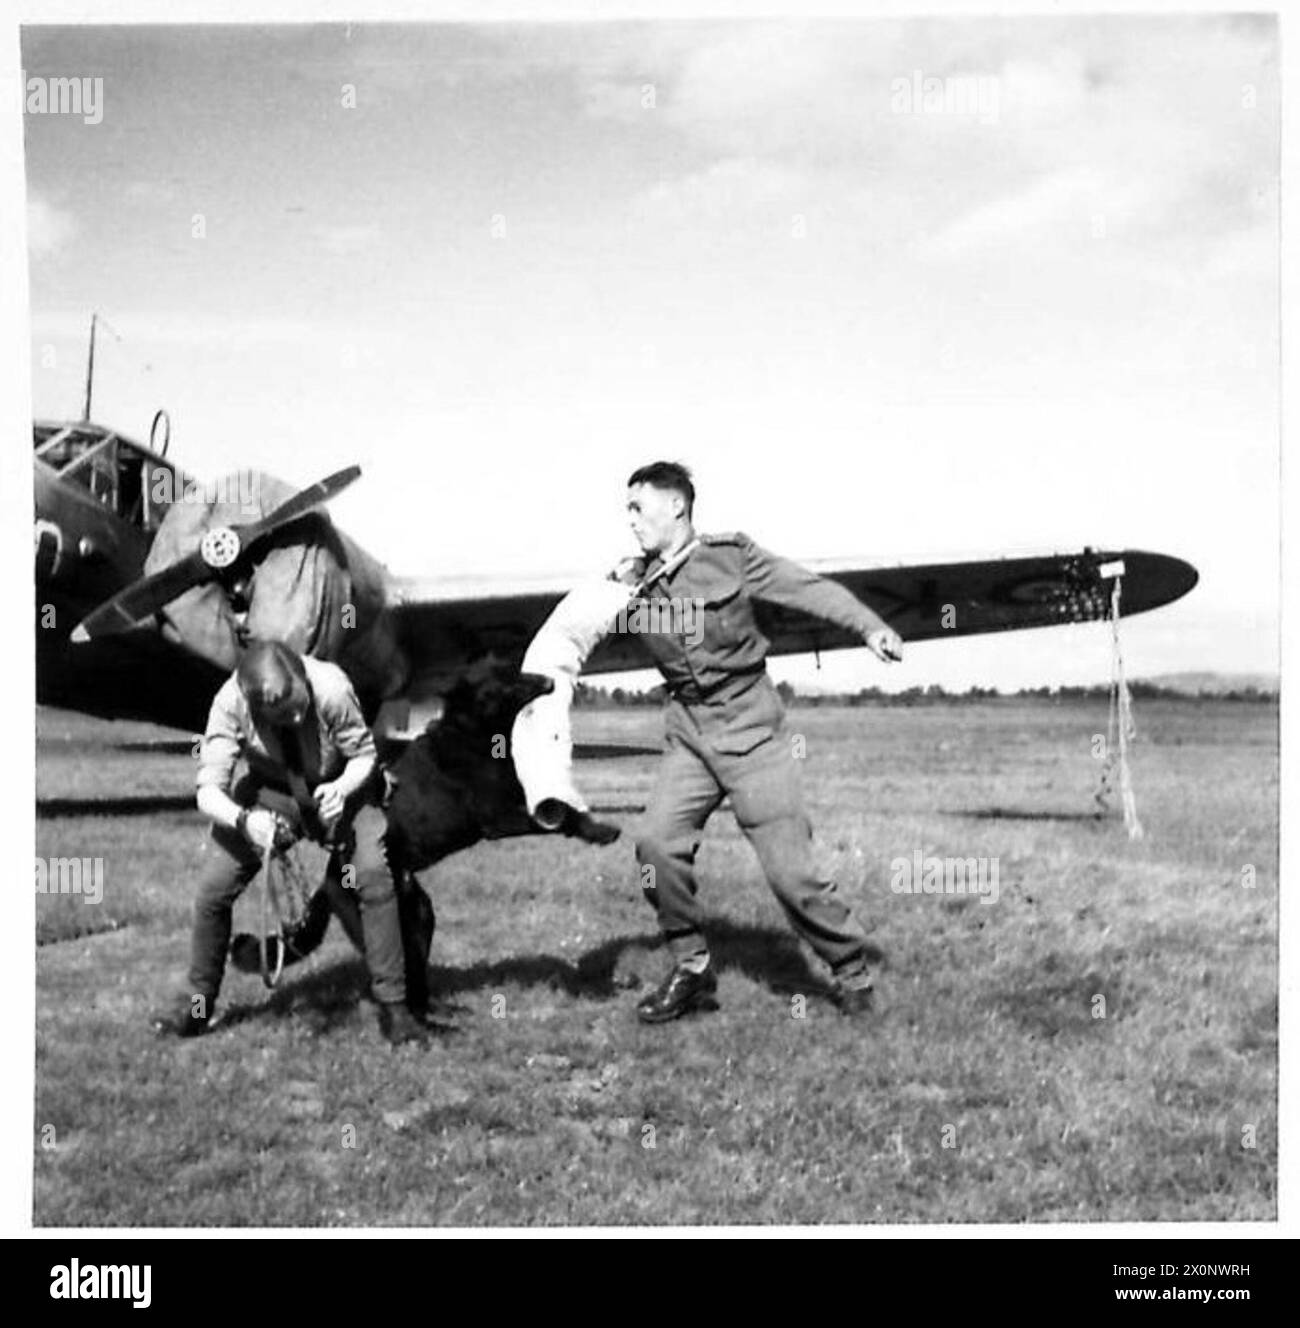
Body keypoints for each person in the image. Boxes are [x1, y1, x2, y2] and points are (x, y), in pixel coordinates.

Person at [622, 461, 903, 1023]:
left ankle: (852, 973)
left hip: (750, 728)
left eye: (638, 507)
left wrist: (869, 625)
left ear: (676, 506)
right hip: (689, 733)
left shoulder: (731, 556)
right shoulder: (633, 580)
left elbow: (808, 588)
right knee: (656, 845)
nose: (630, 520)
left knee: (792, 874)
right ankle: (692, 967)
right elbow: (569, 631)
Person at [152, 640, 428, 1046]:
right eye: (282, 712)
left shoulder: (332, 687)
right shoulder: (230, 702)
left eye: (299, 703)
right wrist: (245, 821)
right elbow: (208, 792)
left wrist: (343, 788)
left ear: (302, 677)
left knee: (373, 877)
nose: (297, 715)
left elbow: (365, 756)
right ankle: (197, 1005)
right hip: (270, 793)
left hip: (343, 790)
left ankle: (396, 1009)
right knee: (213, 890)